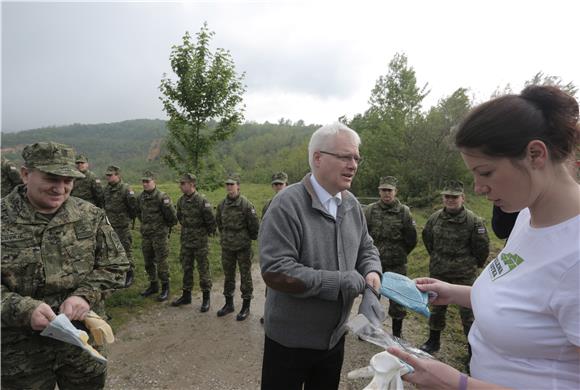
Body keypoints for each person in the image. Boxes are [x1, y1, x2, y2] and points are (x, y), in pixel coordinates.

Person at [388, 85, 580, 390]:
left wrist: (459, 385)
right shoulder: (528, 217)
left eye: (486, 172)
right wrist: (454, 292)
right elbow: (524, 299)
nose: (477, 188)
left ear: (535, 154)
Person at [259, 122, 383, 390]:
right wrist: (340, 282)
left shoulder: (350, 204)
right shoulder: (286, 205)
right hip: (289, 343)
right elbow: (276, 271)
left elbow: (366, 247)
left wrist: (372, 272)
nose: (353, 164)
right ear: (318, 158)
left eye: (356, 158)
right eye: (345, 157)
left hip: (333, 339)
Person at [1, 142, 129, 389]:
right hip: (20, 353)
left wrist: (85, 296)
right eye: (51, 178)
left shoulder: (90, 215)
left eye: (68, 180)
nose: (60, 188)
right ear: (26, 174)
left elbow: (116, 265)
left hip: (82, 345)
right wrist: (23, 308)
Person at [420, 180, 489, 354]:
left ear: (463, 198)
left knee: (469, 315)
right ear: (443, 198)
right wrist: (438, 259)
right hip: (439, 272)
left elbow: (482, 249)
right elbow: (428, 240)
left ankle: (472, 352)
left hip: (464, 275)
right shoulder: (434, 219)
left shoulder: (474, 221)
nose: (450, 200)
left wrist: (472, 266)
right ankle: (433, 342)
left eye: (454, 197)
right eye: (447, 196)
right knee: (436, 309)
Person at [364, 175, 417, 338]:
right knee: (371, 296)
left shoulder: (404, 212)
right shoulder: (371, 210)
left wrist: (399, 253)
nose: (386, 194)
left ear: (395, 192)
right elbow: (363, 235)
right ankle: (369, 329)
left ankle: (396, 334)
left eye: (390, 190)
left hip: (397, 263)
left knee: (398, 300)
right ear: (379, 191)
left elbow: (411, 239)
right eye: (383, 190)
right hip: (375, 263)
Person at [215, 174, 260, 321]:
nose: (229, 187)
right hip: (227, 246)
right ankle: (229, 304)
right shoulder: (222, 204)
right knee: (228, 275)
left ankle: (246, 306)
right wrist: (227, 236)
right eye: (227, 185)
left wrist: (247, 238)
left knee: (245, 276)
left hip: (242, 246)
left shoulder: (246, 204)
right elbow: (219, 223)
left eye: (232, 185)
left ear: (238, 186)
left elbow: (254, 226)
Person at [172, 173, 216, 311]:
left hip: (200, 241)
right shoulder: (181, 201)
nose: (181, 186)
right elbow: (179, 217)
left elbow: (210, 221)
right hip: (186, 240)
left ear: (192, 184)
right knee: (186, 268)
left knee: (203, 269)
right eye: (180, 183)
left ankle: (206, 298)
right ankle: (186, 295)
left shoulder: (202, 201)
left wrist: (203, 233)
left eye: (183, 183)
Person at [137, 170, 178, 302]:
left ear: (154, 182)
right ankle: (153, 284)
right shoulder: (140, 197)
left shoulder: (162, 197)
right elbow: (139, 213)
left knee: (161, 261)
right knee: (148, 261)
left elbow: (171, 216)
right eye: (143, 181)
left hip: (159, 235)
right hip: (147, 235)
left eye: (147, 181)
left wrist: (164, 228)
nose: (145, 184)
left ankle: (165, 287)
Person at [260, 171, 289, 324]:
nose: (278, 187)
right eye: (275, 184)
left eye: (280, 184)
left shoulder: (295, 204)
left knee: (289, 282)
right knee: (271, 281)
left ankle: (287, 315)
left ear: (286, 185)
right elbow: (264, 228)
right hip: (273, 250)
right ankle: (269, 312)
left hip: (291, 251)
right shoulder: (268, 205)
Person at [103, 165, 139, 287]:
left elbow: (133, 207)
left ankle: (129, 274)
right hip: (110, 225)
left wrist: (127, 219)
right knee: (112, 250)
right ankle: (117, 274)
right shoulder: (106, 189)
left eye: (110, 175)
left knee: (126, 249)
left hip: (122, 225)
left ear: (118, 175)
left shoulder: (126, 189)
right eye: (107, 175)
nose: (108, 177)